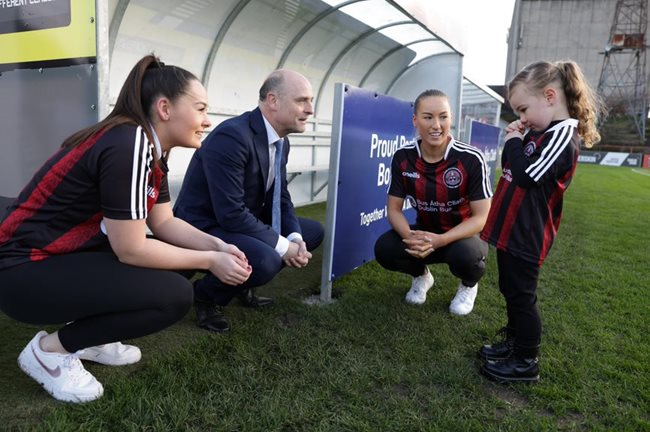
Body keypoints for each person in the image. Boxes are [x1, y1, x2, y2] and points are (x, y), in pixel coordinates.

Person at [0, 54, 251, 403]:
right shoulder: (129, 143)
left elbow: (164, 222)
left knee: (188, 259)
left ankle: (93, 338)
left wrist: (216, 247)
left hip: (53, 261)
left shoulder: (147, 148)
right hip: (21, 273)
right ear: (164, 108)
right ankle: (50, 352)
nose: (207, 121)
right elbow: (130, 249)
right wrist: (211, 261)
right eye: (200, 108)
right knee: (175, 296)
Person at [478, 60, 606, 383]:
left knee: (523, 296)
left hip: (527, 234)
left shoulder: (563, 136)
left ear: (550, 96)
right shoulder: (540, 131)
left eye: (523, 109)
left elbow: (524, 175)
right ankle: (513, 342)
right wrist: (515, 141)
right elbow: (511, 165)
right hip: (511, 228)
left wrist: (513, 142)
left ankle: (526, 360)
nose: (521, 118)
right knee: (510, 289)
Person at [174, 69, 324, 333]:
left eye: (310, 100)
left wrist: (295, 239)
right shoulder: (232, 136)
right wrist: (282, 246)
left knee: (311, 232)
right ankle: (205, 295)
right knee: (268, 259)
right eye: (302, 100)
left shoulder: (281, 142)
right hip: (203, 224)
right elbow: (230, 213)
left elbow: (281, 196)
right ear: (273, 100)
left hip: (239, 218)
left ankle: (241, 285)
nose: (310, 109)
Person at [374, 89, 492, 316]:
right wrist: (410, 237)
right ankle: (422, 277)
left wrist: (442, 240)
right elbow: (394, 209)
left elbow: (481, 217)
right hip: (426, 233)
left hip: (462, 236)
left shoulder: (470, 158)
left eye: (443, 116)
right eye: (428, 117)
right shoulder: (403, 157)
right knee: (385, 249)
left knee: (466, 257)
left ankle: (469, 285)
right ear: (415, 120)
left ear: (451, 119)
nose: (436, 125)